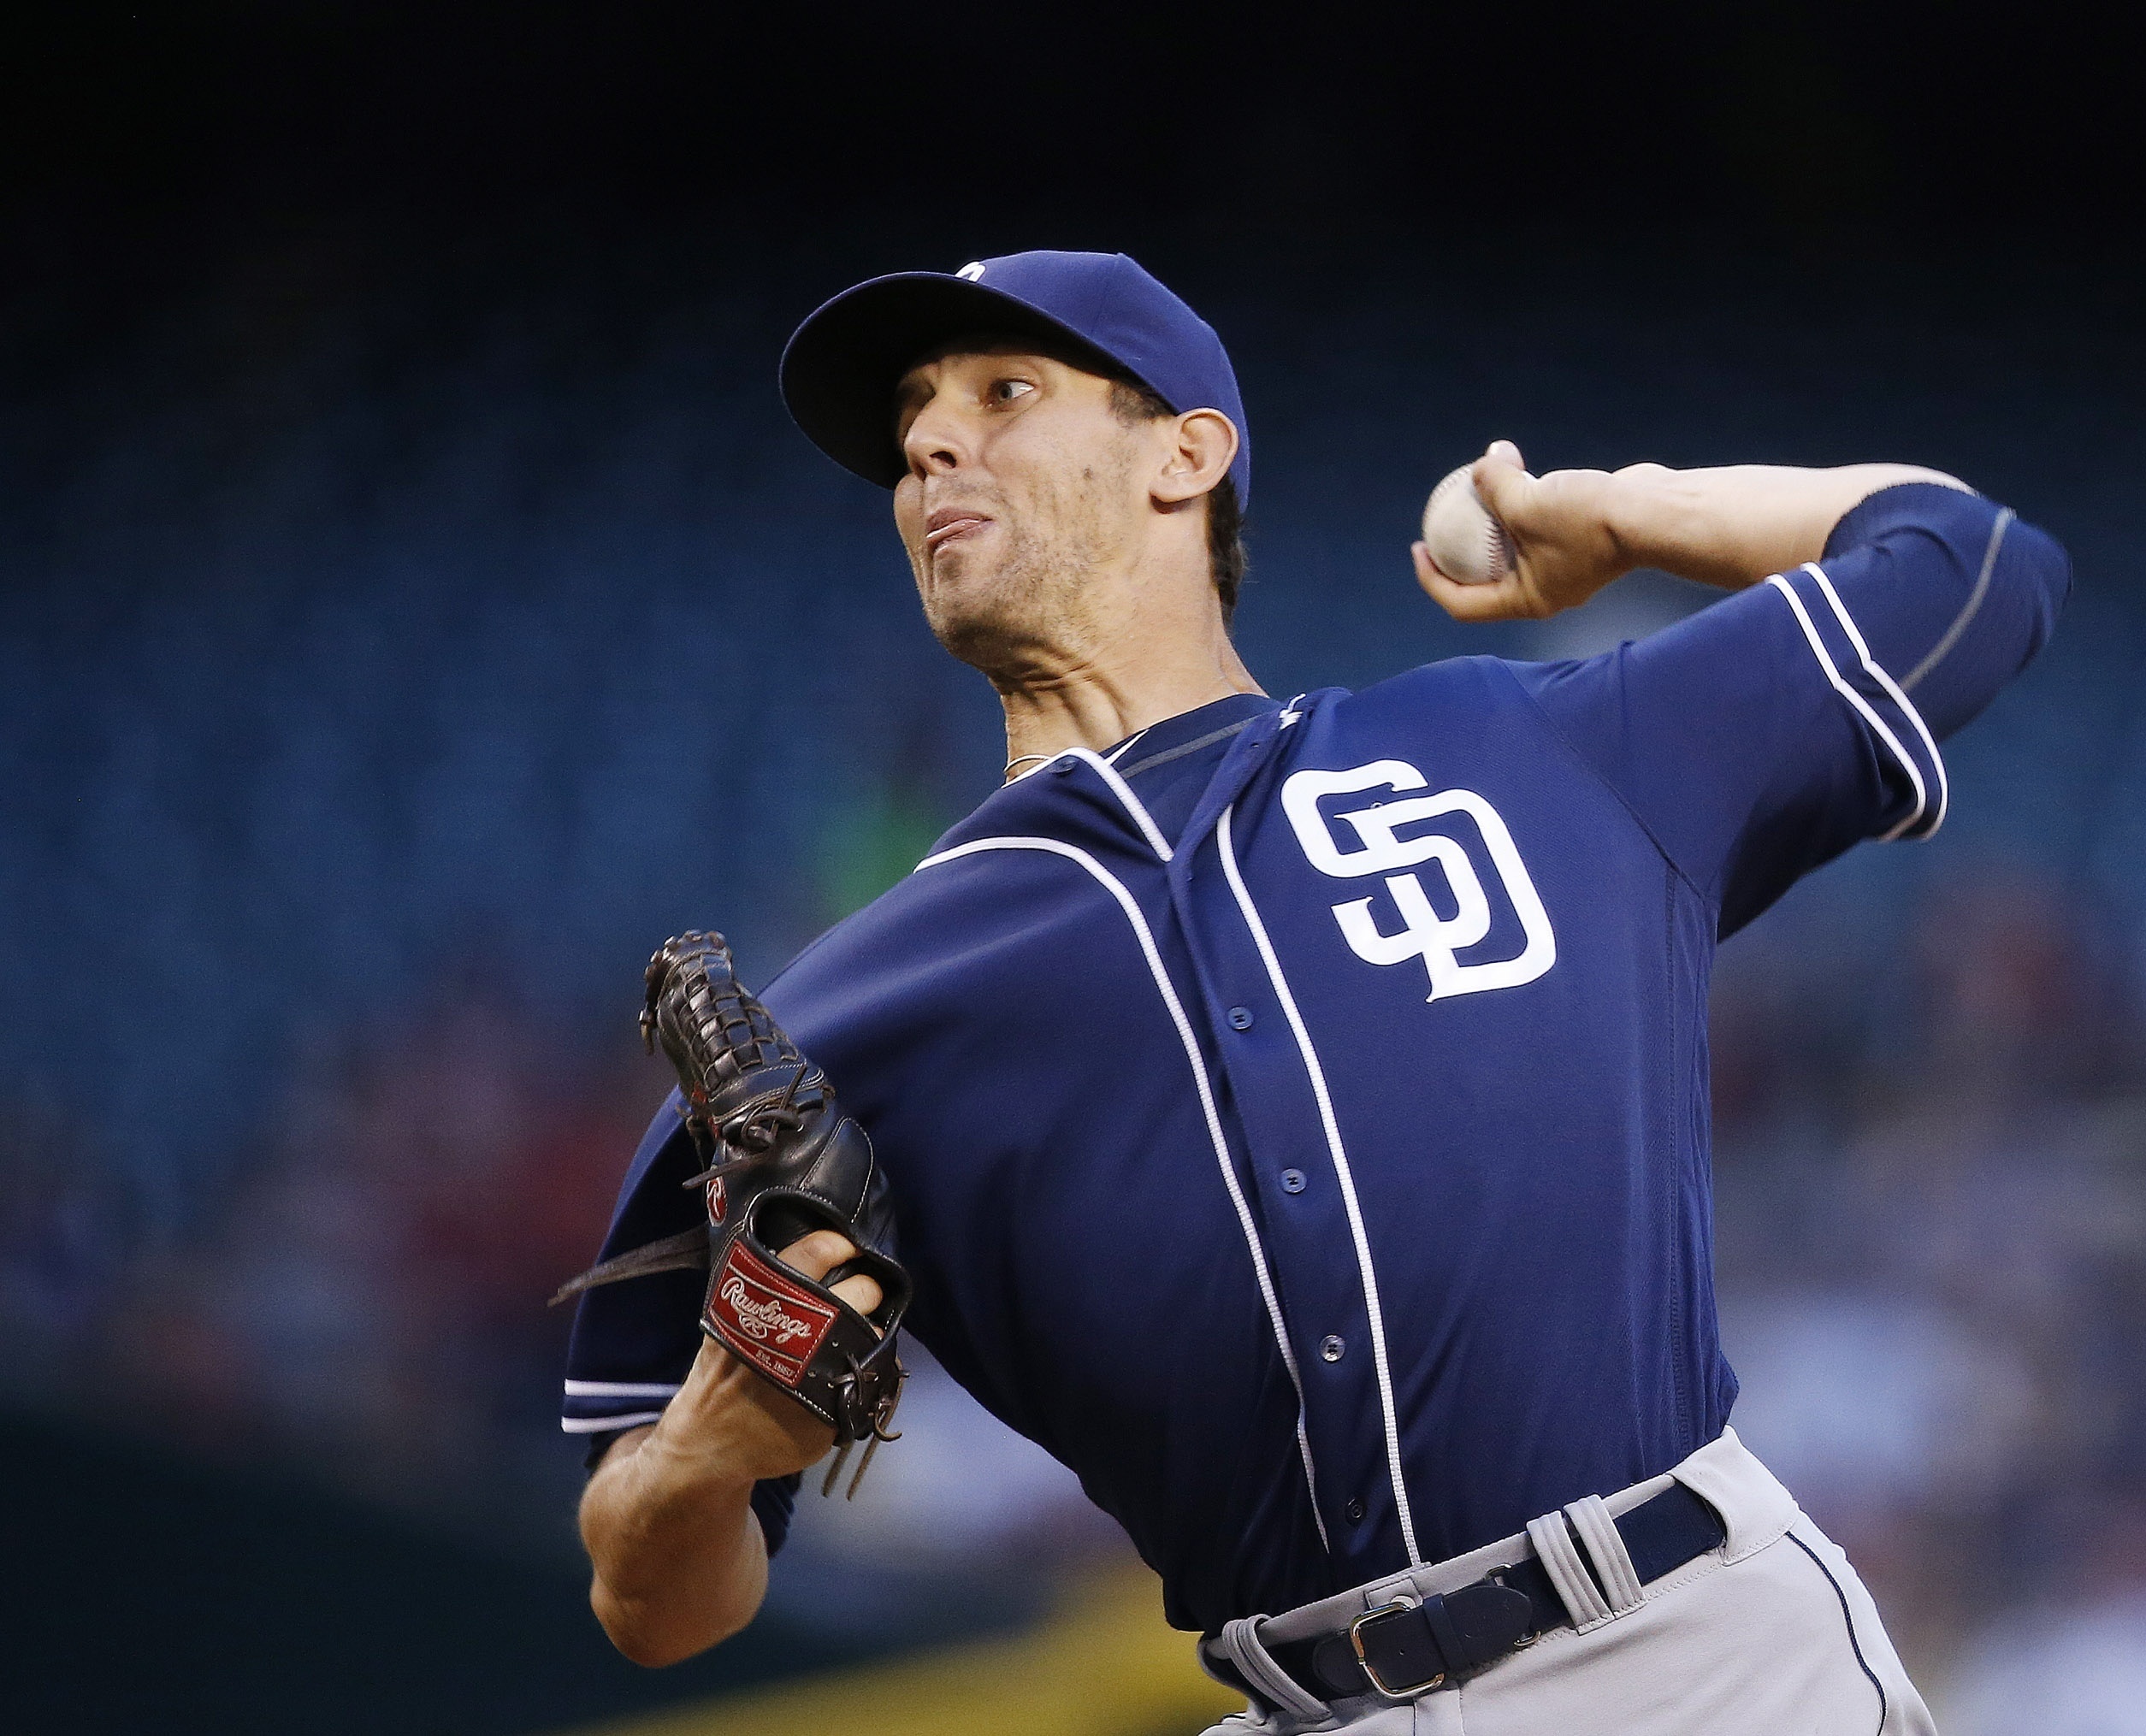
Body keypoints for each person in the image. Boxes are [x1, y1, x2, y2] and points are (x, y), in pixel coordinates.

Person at [562, 249, 2070, 1732]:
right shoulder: (855, 1016)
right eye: (913, 426)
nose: (933, 444)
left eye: (1004, 390)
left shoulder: (1541, 750)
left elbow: (1972, 564)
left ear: (1187, 453)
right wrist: (710, 1441)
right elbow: (655, 1602)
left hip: (1696, 1660)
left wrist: (1622, 514)